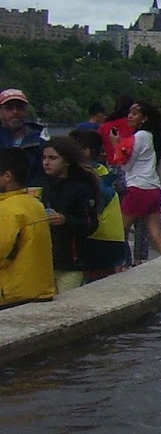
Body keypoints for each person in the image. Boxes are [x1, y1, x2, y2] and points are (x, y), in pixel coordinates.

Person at [40, 136, 102, 293]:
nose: (46, 162)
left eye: (52, 158)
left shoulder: (82, 189)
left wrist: (66, 220)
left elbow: (91, 225)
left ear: (66, 161)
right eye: (44, 158)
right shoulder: (48, 186)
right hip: (48, 261)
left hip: (72, 262)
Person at [70, 128, 129, 280]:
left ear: (86, 152)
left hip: (100, 241)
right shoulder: (103, 171)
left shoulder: (92, 179)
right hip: (113, 242)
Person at [0, 146, 55, 307]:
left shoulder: (7, 209)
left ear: (8, 176)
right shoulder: (34, 204)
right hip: (39, 289)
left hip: (13, 294)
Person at [123, 100, 161, 259]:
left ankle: (120, 265)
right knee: (157, 234)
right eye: (130, 112)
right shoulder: (153, 137)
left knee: (119, 230)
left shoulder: (139, 136)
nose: (130, 116)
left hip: (138, 188)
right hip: (153, 189)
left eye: (135, 113)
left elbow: (126, 165)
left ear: (144, 119)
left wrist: (116, 145)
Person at [0, 88, 49, 186]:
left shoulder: (39, 141)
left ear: (26, 111)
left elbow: (46, 175)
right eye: (9, 107)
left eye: (20, 107)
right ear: (0, 112)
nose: (15, 112)